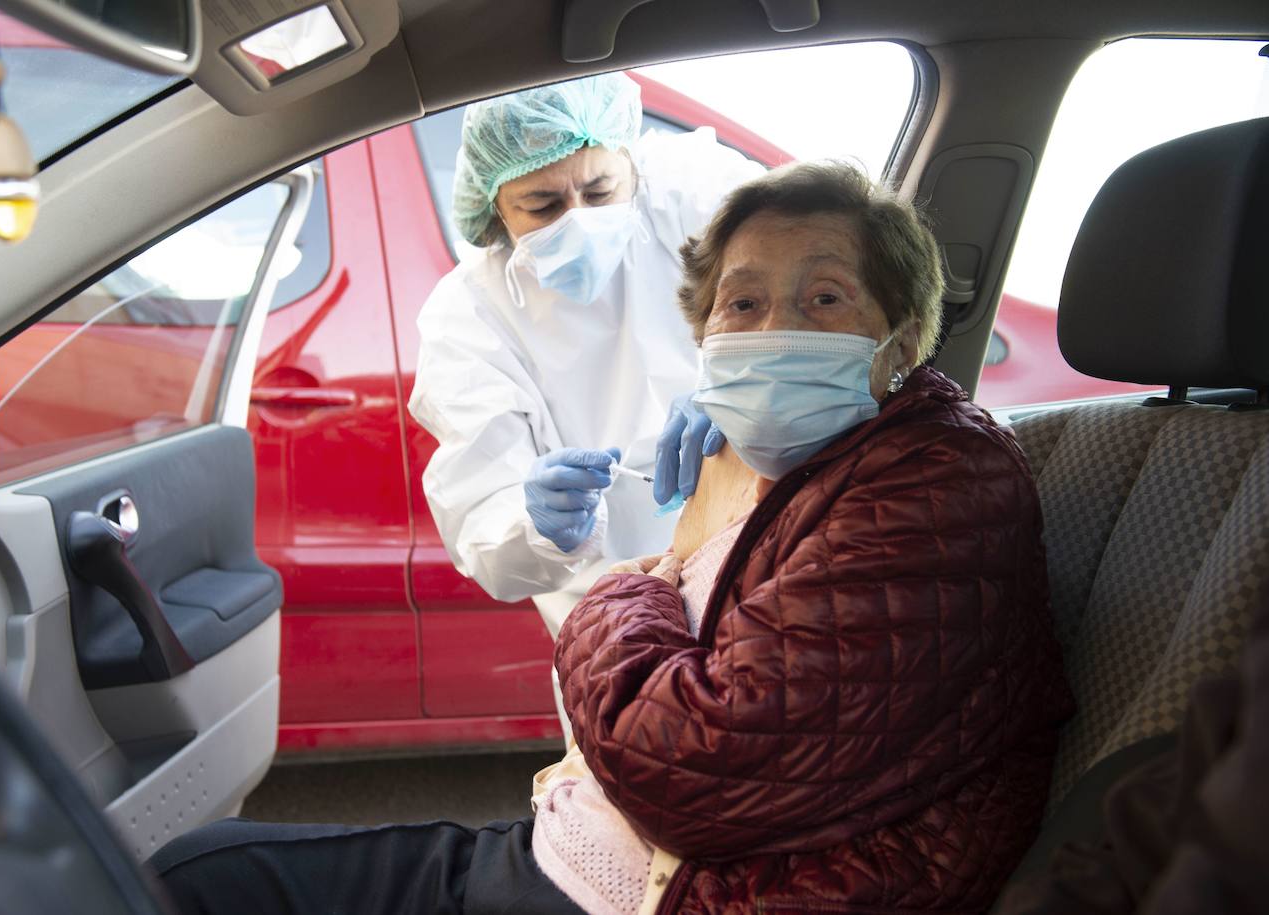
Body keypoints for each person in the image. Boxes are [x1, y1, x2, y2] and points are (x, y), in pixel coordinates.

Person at [150, 161, 1071, 915]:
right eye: (741, 306)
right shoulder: (815, 464)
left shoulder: (936, 483)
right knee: (196, 869)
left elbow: (691, 763)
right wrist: (572, 534)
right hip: (610, 857)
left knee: (193, 885)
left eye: (826, 298)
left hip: (673, 889)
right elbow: (499, 531)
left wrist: (638, 578)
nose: (775, 329)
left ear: (902, 338)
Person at [407, 72, 762, 637]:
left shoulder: (697, 191)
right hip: (618, 620)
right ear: (495, 209)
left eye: (599, 192)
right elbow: (482, 525)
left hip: (763, 564)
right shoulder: (468, 316)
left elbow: (824, 293)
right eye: (541, 206)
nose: (579, 220)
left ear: (630, 161)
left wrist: (743, 384)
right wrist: (538, 523)